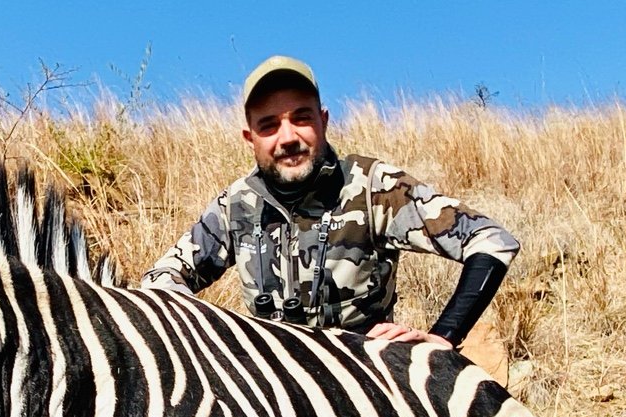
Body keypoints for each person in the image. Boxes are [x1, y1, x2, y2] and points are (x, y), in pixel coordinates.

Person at [141, 55, 519, 349]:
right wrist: (218, 342)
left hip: (362, 383)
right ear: (250, 137)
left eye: (300, 119)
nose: (287, 137)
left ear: (323, 121)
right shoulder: (234, 206)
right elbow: (158, 282)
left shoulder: (371, 185)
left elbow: (491, 240)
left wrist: (442, 337)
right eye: (269, 125)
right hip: (271, 389)